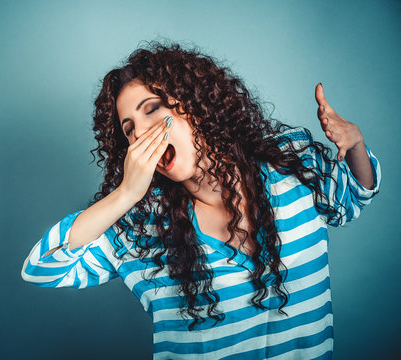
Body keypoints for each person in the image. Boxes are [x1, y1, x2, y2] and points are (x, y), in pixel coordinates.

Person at [21, 41, 381, 359]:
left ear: (195, 105)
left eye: (152, 109)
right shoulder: (142, 228)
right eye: (129, 129)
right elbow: (42, 268)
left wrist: (356, 145)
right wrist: (127, 194)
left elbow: (353, 196)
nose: (142, 132)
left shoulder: (292, 165)